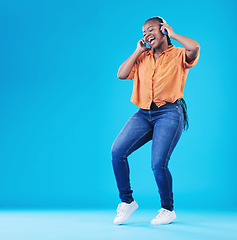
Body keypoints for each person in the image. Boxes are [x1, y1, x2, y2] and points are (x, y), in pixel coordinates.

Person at [111, 16, 200, 225]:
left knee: (158, 163)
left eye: (151, 30)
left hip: (169, 112)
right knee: (117, 152)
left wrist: (174, 34)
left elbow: (195, 47)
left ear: (163, 30)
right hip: (143, 114)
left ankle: (168, 209)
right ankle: (127, 202)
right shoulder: (142, 57)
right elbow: (121, 74)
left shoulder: (179, 54)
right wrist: (137, 51)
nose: (147, 35)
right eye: (143, 33)